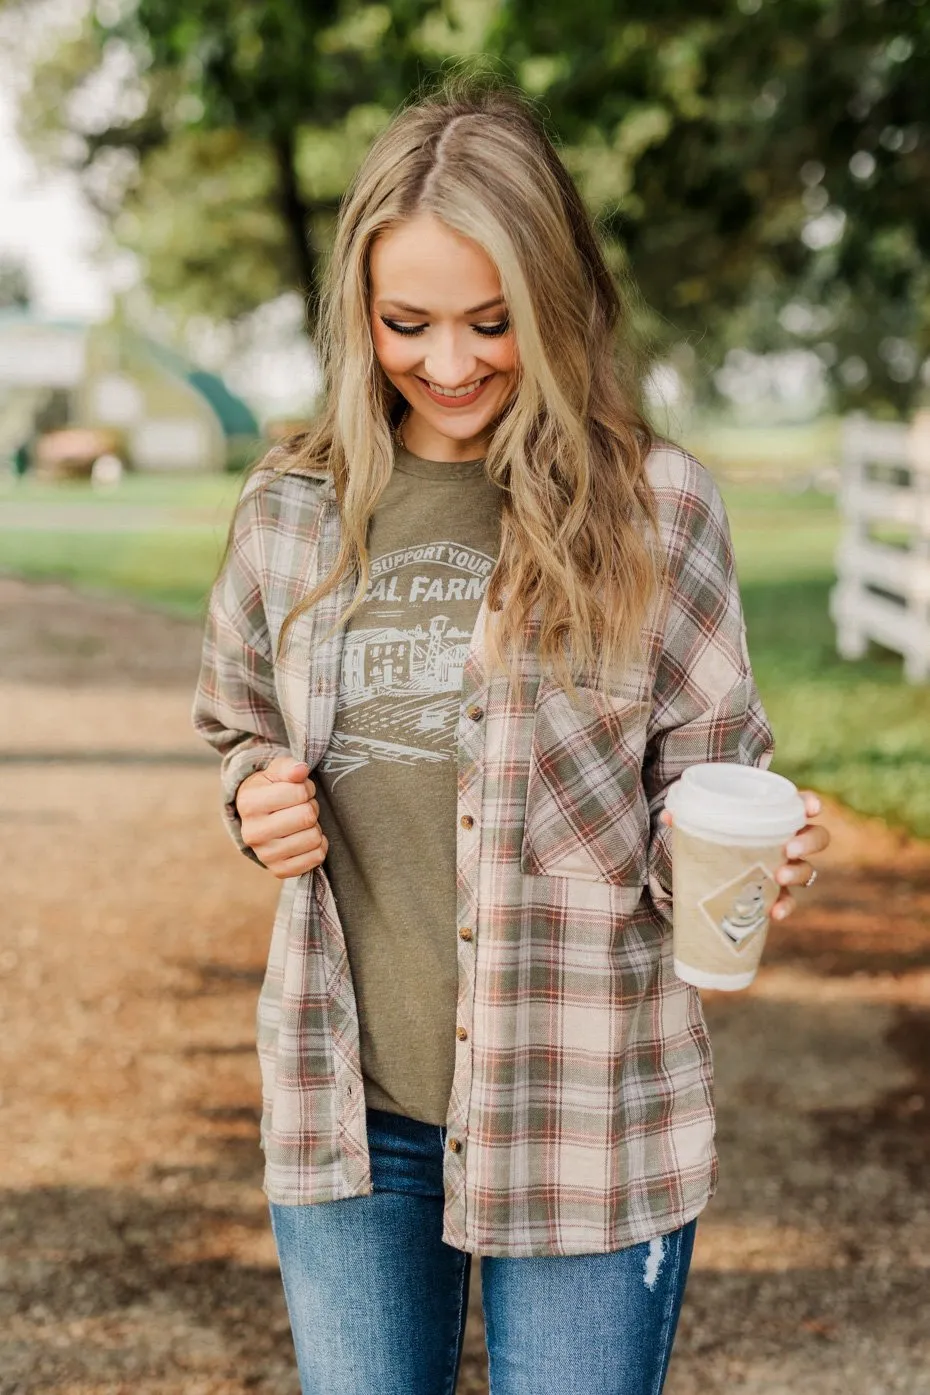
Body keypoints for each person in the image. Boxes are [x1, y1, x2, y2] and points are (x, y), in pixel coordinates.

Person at [192, 79, 829, 1395]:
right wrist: (253, 783)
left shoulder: (657, 511)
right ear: (358, 314)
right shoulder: (292, 511)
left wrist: (750, 852)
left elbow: (706, 787)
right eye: (404, 322)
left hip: (587, 1111)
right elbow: (239, 719)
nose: (448, 361)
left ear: (556, 301)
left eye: (492, 322)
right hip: (350, 1110)